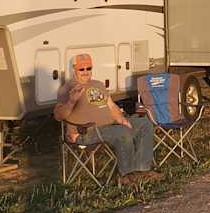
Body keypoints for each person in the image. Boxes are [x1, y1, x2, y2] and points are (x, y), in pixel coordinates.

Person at [53, 52, 157, 184]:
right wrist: (72, 102)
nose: (85, 72)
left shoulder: (98, 84)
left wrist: (122, 120)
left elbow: (112, 106)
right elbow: (58, 116)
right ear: (74, 69)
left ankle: (142, 170)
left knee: (144, 124)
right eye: (81, 69)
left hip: (110, 125)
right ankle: (126, 176)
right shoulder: (67, 88)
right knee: (123, 133)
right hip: (86, 131)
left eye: (88, 68)